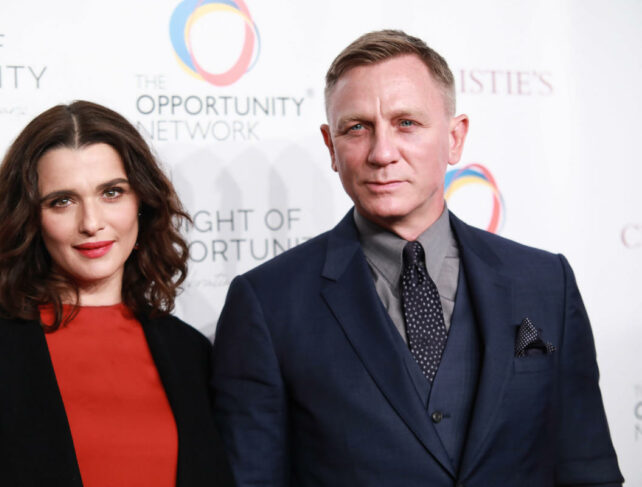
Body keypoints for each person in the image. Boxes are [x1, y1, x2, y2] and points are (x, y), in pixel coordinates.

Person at [211, 30, 623, 486]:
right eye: (357, 127)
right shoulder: (267, 303)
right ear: (331, 146)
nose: (382, 153)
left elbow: (588, 469)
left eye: (406, 123)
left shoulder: (546, 282)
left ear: (454, 138)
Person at [0, 101, 234, 487]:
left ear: (142, 204)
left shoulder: (189, 353)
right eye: (62, 201)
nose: (91, 223)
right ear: (31, 218)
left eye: (111, 192)